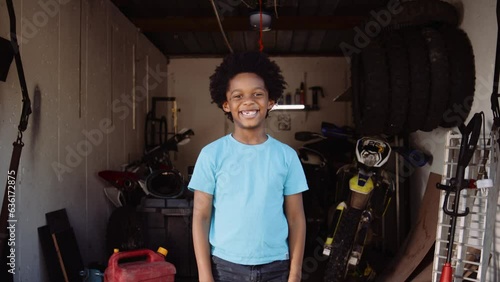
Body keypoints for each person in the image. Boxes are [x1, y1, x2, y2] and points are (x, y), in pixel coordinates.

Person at [188, 51, 308, 282]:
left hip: (277, 266)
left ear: (270, 101)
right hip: (225, 267)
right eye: (237, 96)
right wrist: (204, 275)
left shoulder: (287, 157)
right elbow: (201, 217)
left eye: (257, 94)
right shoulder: (211, 155)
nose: (248, 101)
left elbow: (296, 218)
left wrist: (295, 273)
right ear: (226, 105)